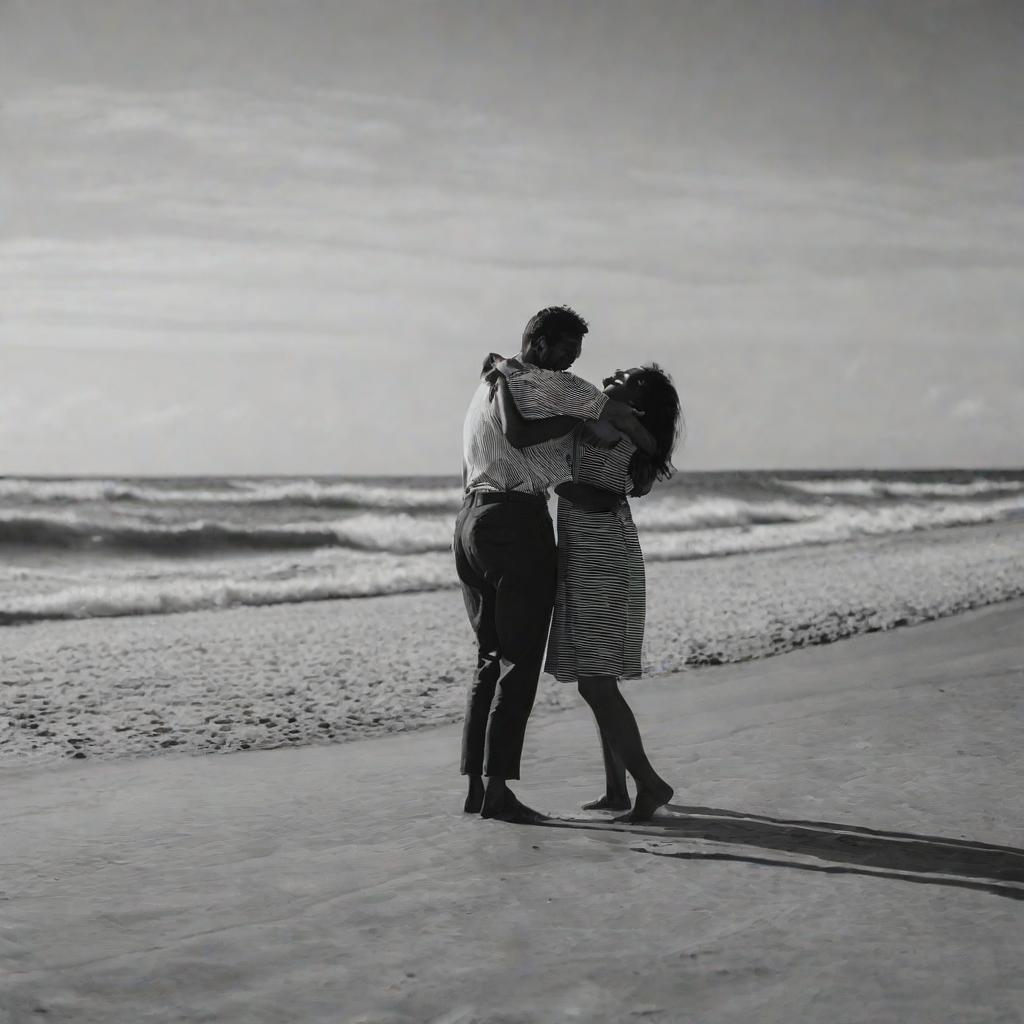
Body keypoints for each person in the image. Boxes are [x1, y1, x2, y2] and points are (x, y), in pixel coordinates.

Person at [454, 306, 655, 824]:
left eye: (575, 357)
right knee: (519, 663)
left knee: (489, 658)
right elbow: (610, 414)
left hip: (471, 520)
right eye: (565, 351)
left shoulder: (488, 387)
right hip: (516, 524)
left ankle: (476, 789)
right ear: (538, 343)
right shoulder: (554, 386)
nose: (571, 365)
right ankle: (498, 792)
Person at [490, 364, 682, 822]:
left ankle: (650, 784)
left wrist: (560, 483)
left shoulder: (618, 427)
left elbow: (603, 497)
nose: (615, 371)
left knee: (596, 683)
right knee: (597, 682)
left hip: (599, 560)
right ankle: (617, 789)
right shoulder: (616, 422)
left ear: (639, 401)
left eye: (629, 376)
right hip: (595, 556)